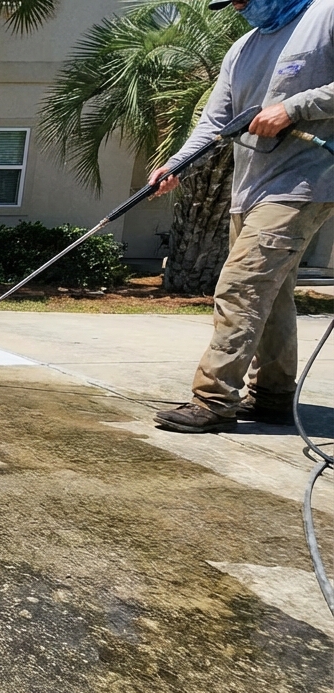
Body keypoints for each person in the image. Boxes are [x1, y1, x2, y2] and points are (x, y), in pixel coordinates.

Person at [152, 0, 334, 433]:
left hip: (306, 183)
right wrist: (177, 163)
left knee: (242, 286)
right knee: (271, 296)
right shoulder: (242, 48)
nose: (236, 6)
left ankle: (213, 400)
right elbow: (216, 121)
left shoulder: (325, 15)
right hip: (249, 189)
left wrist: (295, 108)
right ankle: (273, 396)